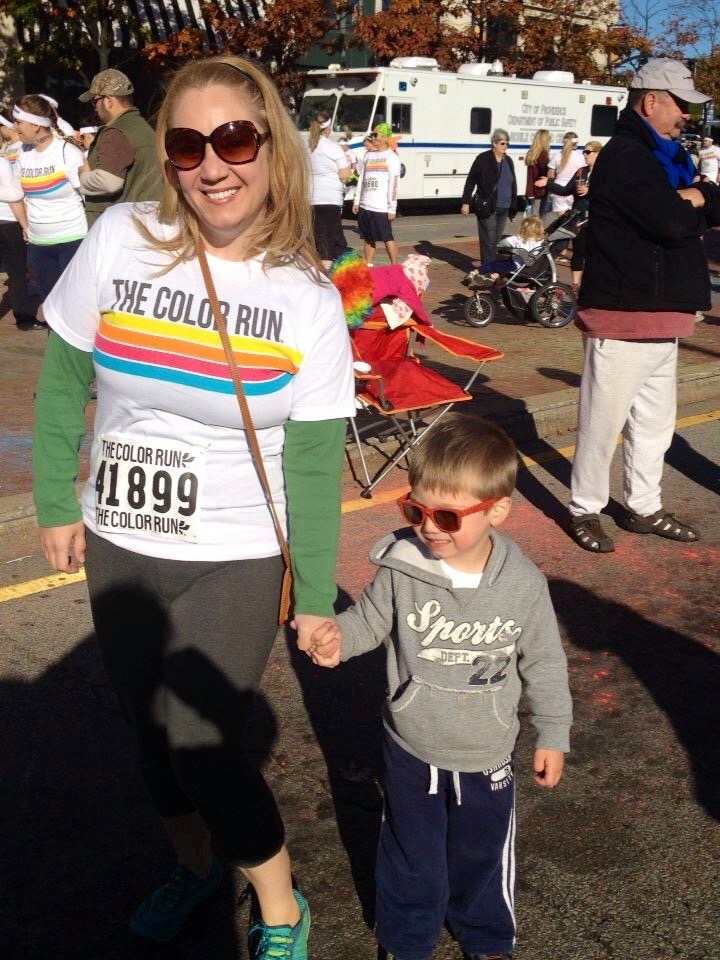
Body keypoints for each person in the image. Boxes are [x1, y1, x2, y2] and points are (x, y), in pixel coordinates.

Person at [32, 54, 355, 957]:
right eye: (188, 144)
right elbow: (63, 380)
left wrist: (316, 597)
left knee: (203, 742)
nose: (213, 165)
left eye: (235, 139)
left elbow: (315, 465)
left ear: (272, 147)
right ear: (168, 157)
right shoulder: (121, 236)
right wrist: (55, 499)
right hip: (119, 538)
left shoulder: (306, 297)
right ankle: (196, 867)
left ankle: (281, 908)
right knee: (150, 738)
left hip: (235, 552)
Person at [307, 414, 572, 960]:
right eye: (416, 510)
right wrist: (339, 639)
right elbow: (369, 620)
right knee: (411, 853)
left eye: (448, 516)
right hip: (411, 744)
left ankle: (486, 937)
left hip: (486, 749)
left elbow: (545, 661)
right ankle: (406, 941)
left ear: (497, 510)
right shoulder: (402, 567)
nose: (429, 528)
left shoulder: (523, 585)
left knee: (482, 853)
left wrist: (553, 732)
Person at [568, 59, 720, 553]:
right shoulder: (627, 155)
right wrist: (695, 201)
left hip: (664, 312)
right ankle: (585, 508)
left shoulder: (669, 157)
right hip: (622, 312)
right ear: (650, 101)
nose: (686, 116)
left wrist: (693, 197)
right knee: (602, 424)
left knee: (655, 426)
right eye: (681, 105)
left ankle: (644, 506)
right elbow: (671, 223)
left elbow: (704, 207)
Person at [7, 95, 88, 301]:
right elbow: (15, 194)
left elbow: (87, 196)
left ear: (35, 125)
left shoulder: (67, 152)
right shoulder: (23, 153)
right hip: (38, 244)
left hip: (73, 240)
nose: (14, 127)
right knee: (49, 303)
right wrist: (25, 226)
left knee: (73, 303)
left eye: (18, 122)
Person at [77, 68, 163, 227]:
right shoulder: (140, 126)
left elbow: (108, 183)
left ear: (108, 100)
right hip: (144, 220)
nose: (95, 108)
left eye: (95, 101)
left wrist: (83, 175)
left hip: (120, 227)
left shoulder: (115, 132)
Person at [536, 140, 602, 290]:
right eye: (584, 151)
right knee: (578, 251)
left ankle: (593, 285)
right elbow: (565, 190)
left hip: (597, 218)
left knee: (595, 253)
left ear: (598, 153)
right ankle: (575, 284)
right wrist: (548, 183)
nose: (585, 155)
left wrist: (590, 191)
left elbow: (610, 193)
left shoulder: (605, 171)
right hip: (579, 217)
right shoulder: (581, 171)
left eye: (588, 152)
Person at [460, 128, 519, 262]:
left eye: (507, 143)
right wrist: (466, 202)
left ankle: (490, 268)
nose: (505, 146)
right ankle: (488, 269)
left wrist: (513, 208)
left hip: (504, 207)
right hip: (487, 206)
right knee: (489, 241)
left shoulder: (508, 161)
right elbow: (471, 180)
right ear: (494, 143)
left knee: (496, 241)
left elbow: (513, 185)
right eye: (502, 143)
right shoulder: (483, 159)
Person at [0, 151, 41, 330]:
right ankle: (24, 319)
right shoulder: (2, 163)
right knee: (17, 272)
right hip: (8, 223)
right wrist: (25, 225)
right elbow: (14, 197)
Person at [352, 122, 401, 265]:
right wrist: (357, 200)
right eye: (372, 135)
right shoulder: (368, 155)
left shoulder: (392, 157)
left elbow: (394, 184)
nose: (372, 137)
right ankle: (369, 266)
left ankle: (394, 267)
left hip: (381, 207)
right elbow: (362, 178)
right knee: (368, 238)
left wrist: (392, 208)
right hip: (365, 205)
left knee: (387, 238)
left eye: (375, 135)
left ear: (385, 137)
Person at [307, 111, 351, 268]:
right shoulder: (332, 147)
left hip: (310, 198)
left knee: (318, 240)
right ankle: (328, 278)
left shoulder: (307, 146)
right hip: (330, 199)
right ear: (328, 128)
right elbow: (345, 175)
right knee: (331, 244)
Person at [464, 214, 545, 288]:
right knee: (502, 266)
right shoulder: (541, 242)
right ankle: (494, 277)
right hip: (531, 268)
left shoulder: (517, 239)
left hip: (515, 266)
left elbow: (502, 243)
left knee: (493, 264)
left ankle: (473, 273)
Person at [546, 131, 584, 217]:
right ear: (576, 143)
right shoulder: (581, 157)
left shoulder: (557, 155)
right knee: (574, 219)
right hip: (573, 191)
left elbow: (550, 175)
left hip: (558, 190)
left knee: (562, 220)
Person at [523, 127, 551, 217]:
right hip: (540, 192)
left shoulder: (532, 154)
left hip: (530, 191)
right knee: (539, 220)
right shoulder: (543, 155)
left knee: (530, 217)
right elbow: (546, 171)